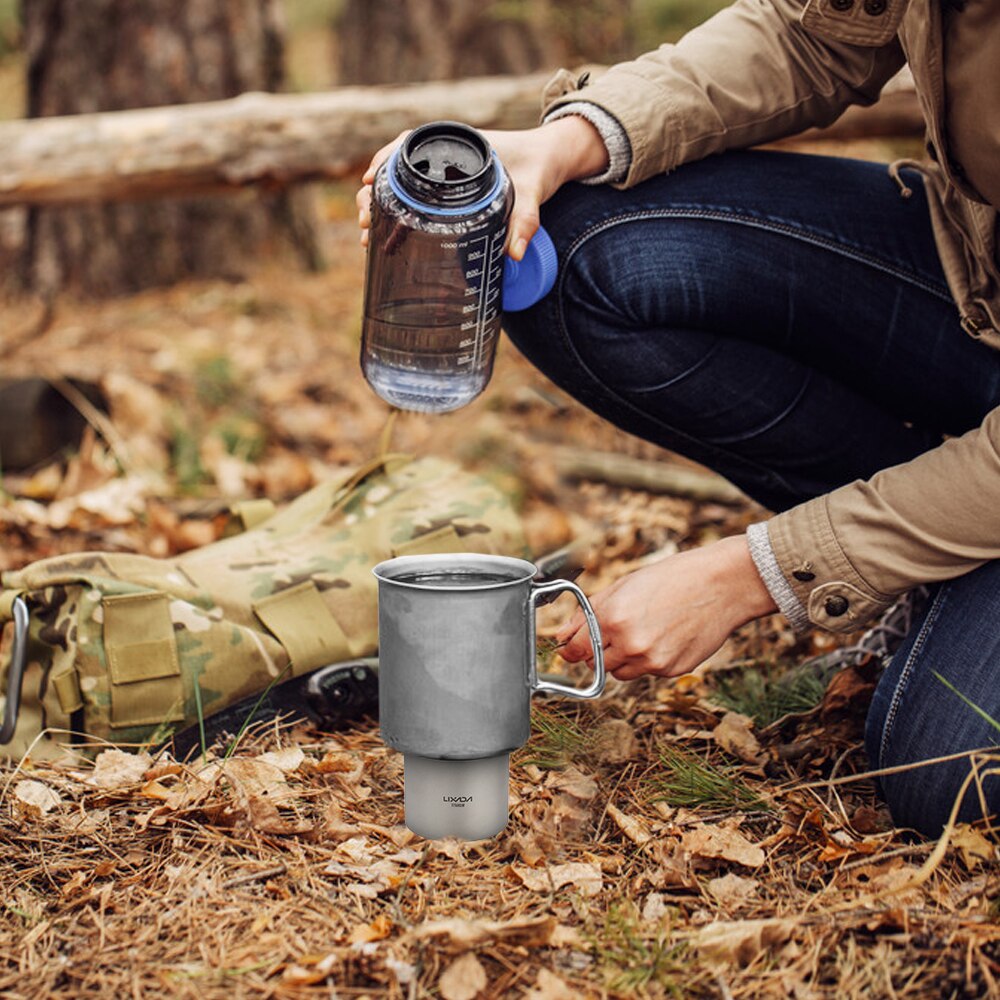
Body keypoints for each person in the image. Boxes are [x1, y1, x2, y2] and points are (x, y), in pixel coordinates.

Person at [357, 0, 1000, 837]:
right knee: (581, 252)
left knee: (945, 774)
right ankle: (932, 554)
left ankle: (940, 559)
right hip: (974, 279)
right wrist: (566, 142)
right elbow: (810, 32)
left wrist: (758, 572)